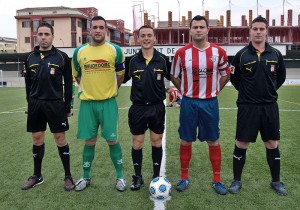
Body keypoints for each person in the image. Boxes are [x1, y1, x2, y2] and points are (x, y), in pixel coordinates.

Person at [171, 15, 230, 195]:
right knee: (185, 140)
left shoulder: (218, 52)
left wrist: (215, 91)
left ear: (207, 30)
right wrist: (185, 91)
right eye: (195, 27)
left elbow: (226, 73)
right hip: (189, 103)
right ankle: (184, 177)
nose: (198, 30)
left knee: (213, 140)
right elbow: (174, 76)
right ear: (190, 30)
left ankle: (217, 180)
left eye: (201, 27)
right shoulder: (181, 53)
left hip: (210, 103)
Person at [229, 16, 287, 196]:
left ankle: (276, 181)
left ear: (267, 31)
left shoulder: (276, 54)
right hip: (248, 107)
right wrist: (249, 94)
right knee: (242, 142)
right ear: (250, 31)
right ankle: (236, 181)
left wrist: (268, 92)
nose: (258, 32)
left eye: (262, 29)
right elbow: (235, 79)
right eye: (255, 29)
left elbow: (281, 77)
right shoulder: (241, 55)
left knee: (271, 143)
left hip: (269, 107)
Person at [72, 16, 126, 192]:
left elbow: (120, 74)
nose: (97, 30)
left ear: (106, 30)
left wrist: (111, 89)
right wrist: (88, 88)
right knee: (89, 141)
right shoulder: (79, 52)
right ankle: (86, 177)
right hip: (88, 104)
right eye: (94, 27)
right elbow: (77, 75)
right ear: (90, 30)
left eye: (101, 27)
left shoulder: (115, 50)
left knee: (112, 140)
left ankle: (120, 177)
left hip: (108, 103)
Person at [22, 22, 74, 191]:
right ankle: (37, 176)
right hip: (36, 105)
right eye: (40, 34)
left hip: (55, 104)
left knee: (60, 139)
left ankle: (68, 176)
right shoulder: (30, 58)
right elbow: (28, 84)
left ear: (52, 36)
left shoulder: (62, 57)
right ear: (37, 36)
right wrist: (30, 103)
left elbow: (69, 84)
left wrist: (67, 107)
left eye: (46, 34)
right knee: (37, 138)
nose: (43, 37)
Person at [123, 25, 171, 190]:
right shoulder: (131, 61)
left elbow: (174, 79)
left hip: (157, 107)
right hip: (138, 108)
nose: (146, 38)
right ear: (138, 39)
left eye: (149, 35)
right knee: (137, 142)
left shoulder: (163, 60)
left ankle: (157, 176)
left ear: (154, 38)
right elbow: (119, 79)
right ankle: (137, 177)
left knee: (156, 141)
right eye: (142, 35)